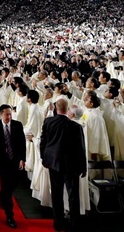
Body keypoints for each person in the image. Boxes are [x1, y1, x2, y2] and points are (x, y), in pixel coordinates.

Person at [40, 98, 87, 232]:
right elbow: (81, 148)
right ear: (67, 110)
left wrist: (44, 159)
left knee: (56, 192)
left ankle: (58, 222)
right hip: (72, 164)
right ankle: (74, 223)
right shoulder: (76, 126)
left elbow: (43, 142)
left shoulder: (48, 122)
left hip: (54, 163)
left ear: (56, 108)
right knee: (73, 194)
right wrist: (83, 167)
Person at [0, 104, 26, 229]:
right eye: (7, 114)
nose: (9, 117)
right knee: (7, 189)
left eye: (10, 114)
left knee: (14, 183)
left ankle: (1, 194)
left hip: (14, 160)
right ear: (1, 114)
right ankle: (10, 216)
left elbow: (22, 144)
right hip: (1, 162)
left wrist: (22, 159)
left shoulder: (17, 125)